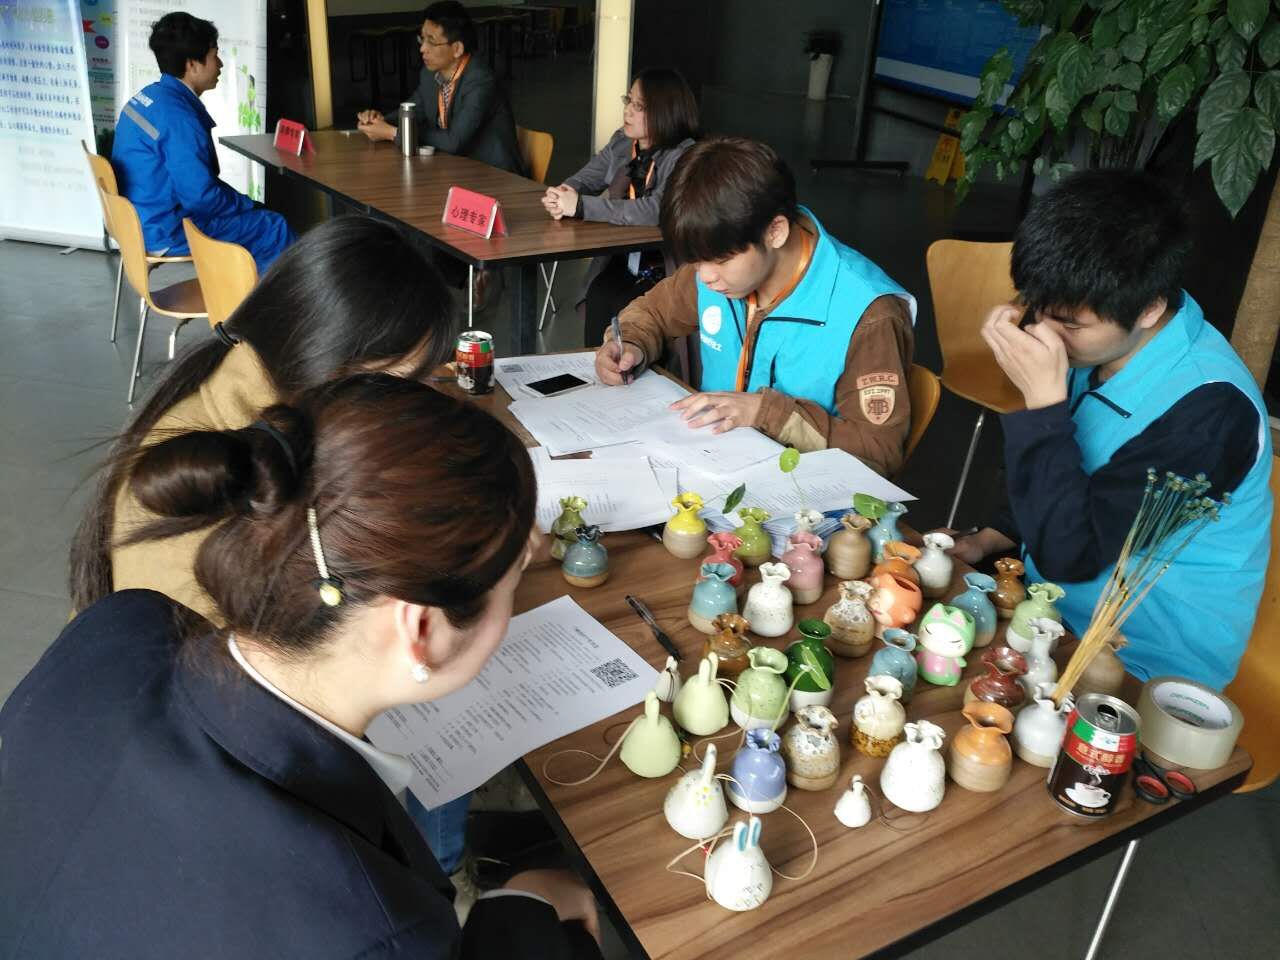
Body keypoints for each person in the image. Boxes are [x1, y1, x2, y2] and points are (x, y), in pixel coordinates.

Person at [1, 375, 603, 959]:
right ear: (421, 629)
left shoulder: (125, 622)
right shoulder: (377, 932)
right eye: (514, 582)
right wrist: (521, 908)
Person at [950, 170, 1272, 690]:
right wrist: (991, 538)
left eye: (1069, 324)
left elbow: (1069, 555)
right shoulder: (1102, 345)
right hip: (1051, 613)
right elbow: (1076, 461)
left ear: (1149, 308)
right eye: (1036, 308)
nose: (1045, 334)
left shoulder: (1211, 412)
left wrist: (1042, 406)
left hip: (1140, 666)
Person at [593, 137, 917, 477]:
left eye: (720, 260)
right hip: (714, 467)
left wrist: (767, 414)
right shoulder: (721, 265)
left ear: (775, 231)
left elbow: (879, 451)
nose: (705, 277)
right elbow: (654, 312)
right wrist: (630, 343)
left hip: (802, 492)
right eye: (697, 261)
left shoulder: (868, 314)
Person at [111, 12, 295, 274]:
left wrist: (243, 204)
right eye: (214, 55)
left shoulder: (148, 98)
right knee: (274, 228)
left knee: (254, 215)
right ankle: (277, 300)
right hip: (166, 229)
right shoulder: (180, 119)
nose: (220, 64)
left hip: (138, 222)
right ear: (192, 65)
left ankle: (249, 290)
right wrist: (247, 204)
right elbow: (201, 199)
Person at [541, 67, 699, 345]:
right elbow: (587, 177)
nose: (628, 111)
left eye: (639, 106)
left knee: (626, 307)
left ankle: (633, 366)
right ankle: (596, 366)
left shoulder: (684, 155)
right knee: (599, 294)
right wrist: (563, 194)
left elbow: (655, 210)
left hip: (663, 265)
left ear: (664, 112)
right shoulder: (623, 142)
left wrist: (581, 207)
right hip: (624, 257)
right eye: (628, 101)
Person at [356, 1, 522, 175]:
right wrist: (379, 120)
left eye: (431, 41)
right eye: (422, 39)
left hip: (495, 176)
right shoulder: (430, 75)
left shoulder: (480, 80)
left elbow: (454, 142)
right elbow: (413, 111)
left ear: (457, 49)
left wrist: (394, 133)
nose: (422, 48)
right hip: (458, 171)